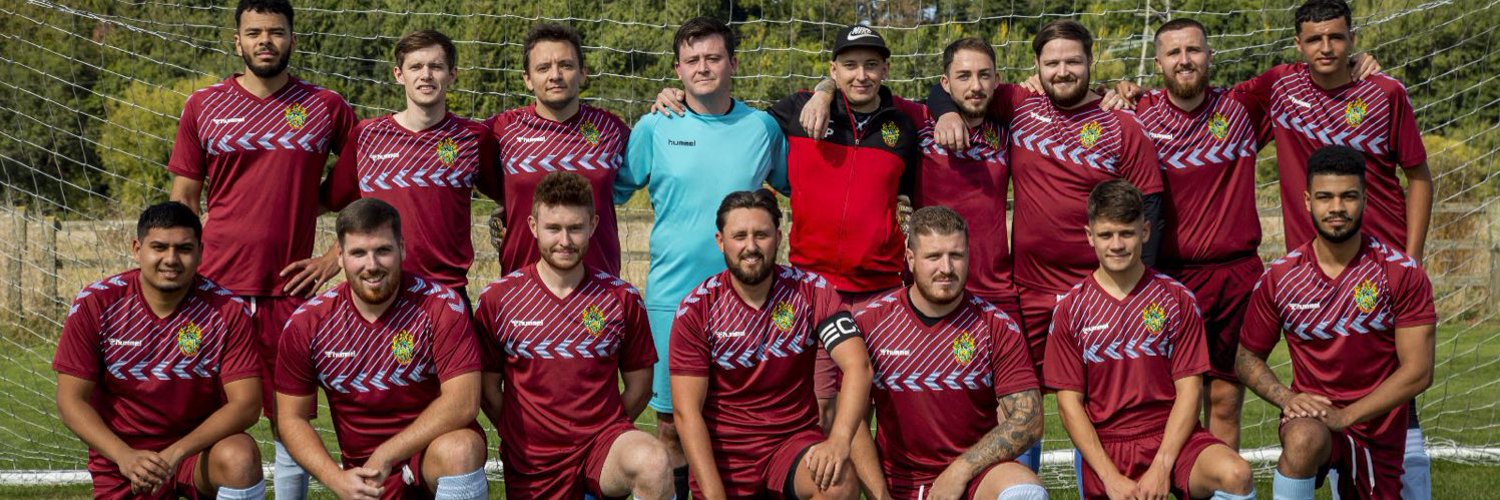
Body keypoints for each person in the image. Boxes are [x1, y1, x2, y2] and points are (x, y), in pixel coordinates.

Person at [166, 1, 356, 494]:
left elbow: (368, 187)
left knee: (288, 420)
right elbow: (183, 198)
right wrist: (177, 275)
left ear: (293, 39)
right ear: (238, 41)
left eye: (275, 32)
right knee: (204, 417)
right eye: (254, 32)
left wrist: (335, 259)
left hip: (288, 291)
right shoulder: (203, 105)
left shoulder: (327, 107)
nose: (265, 41)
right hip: (213, 292)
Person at [926, 20, 1165, 382]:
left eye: (1073, 62)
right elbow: (957, 88)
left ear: (1090, 62)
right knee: (1024, 396)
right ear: (1037, 66)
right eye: (1052, 64)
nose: (1062, 72)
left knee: (1099, 395)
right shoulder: (1019, 104)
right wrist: (944, 111)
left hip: (1097, 288)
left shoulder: (1122, 124)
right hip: (1027, 290)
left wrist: (1138, 286)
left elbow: (1151, 206)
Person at [615, 17, 791, 497]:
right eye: (692, 60)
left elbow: (801, 186)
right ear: (678, 69)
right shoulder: (656, 126)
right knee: (671, 426)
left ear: (733, 63)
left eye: (713, 58)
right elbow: (607, 191)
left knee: (744, 422)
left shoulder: (763, 128)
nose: (703, 68)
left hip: (751, 300)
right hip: (674, 300)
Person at [1236, 145, 1437, 500]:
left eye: (1349, 196)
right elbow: (1245, 357)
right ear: (1307, 201)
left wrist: (1347, 416)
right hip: (1318, 426)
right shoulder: (1281, 277)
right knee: (1302, 437)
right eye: (1325, 197)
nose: (1337, 208)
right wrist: (1287, 399)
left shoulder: (1401, 273)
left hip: (1380, 430)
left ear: (1365, 198)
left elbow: (1419, 372)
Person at [1046, 180, 1255, 500]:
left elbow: (1190, 390)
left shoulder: (1177, 299)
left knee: (1236, 474)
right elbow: (1068, 403)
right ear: (1090, 237)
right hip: (1109, 444)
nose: (1117, 244)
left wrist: (1162, 465)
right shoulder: (1071, 309)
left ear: (1144, 232)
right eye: (1106, 235)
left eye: (1126, 233)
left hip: (1173, 436)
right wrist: (1109, 477)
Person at [474, 172, 671, 498]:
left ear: (593, 225)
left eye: (575, 228)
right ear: (534, 227)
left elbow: (640, 386)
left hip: (601, 448)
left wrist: (608, 431)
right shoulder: (499, 298)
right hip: (532, 458)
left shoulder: (621, 297)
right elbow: (486, 386)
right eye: (553, 228)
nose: (564, 240)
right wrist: (516, 432)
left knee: (653, 461)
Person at [276, 198, 488, 500]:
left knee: (462, 449)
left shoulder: (441, 306)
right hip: (368, 481)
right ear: (339, 256)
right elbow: (291, 419)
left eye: (383, 251)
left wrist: (388, 453)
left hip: (428, 464)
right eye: (358, 253)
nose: (371, 265)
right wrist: (335, 479)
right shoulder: (307, 324)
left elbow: (464, 402)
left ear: (401, 248)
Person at [54, 201, 265, 499]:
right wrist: (124, 456)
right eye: (159, 247)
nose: (171, 259)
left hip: (195, 452)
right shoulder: (96, 303)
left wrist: (174, 453)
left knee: (239, 456)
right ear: (137, 249)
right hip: (123, 458)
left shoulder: (227, 309)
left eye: (184, 248)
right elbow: (70, 401)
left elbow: (246, 405)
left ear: (201, 252)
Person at [670, 189, 872, 500]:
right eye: (739, 236)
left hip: (791, 446)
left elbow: (858, 366)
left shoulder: (812, 292)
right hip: (727, 457)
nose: (750, 247)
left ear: (779, 237)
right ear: (720, 241)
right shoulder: (697, 309)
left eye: (761, 235)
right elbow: (687, 414)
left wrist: (839, 440)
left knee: (837, 480)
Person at [1128, 17, 1273, 449]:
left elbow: (1308, 73)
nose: (1184, 60)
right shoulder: (1138, 115)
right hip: (1169, 278)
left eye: (1193, 50)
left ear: (1210, 56)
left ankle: (1224, 487)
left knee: (1225, 400)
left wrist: (1358, 62)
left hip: (1236, 277)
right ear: (1158, 63)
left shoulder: (1244, 107)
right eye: (1174, 53)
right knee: (1169, 402)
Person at [767, 24, 921, 430]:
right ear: (834, 70)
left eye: (871, 65)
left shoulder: (904, 128)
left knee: (877, 406)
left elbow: (908, 199)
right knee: (820, 406)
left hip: (880, 290)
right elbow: (731, 120)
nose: (861, 75)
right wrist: (821, 92)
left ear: (886, 69)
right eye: (850, 66)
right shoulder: (799, 110)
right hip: (815, 289)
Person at [853, 206, 1047, 500]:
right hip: (895, 482)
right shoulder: (871, 323)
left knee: (1026, 491)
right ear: (911, 258)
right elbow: (852, 422)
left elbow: (1029, 420)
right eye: (933, 257)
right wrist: (879, 496)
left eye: (956, 255)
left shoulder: (996, 326)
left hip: (973, 479)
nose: (946, 268)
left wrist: (961, 470)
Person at [321, 29, 503, 308]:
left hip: (447, 295)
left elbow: (508, 195)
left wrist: (509, 220)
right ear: (399, 74)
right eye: (416, 66)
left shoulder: (474, 137)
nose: (426, 75)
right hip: (379, 293)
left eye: (436, 66)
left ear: (452, 74)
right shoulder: (367, 136)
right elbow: (328, 200)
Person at [488, 23, 628, 276]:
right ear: (527, 79)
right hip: (523, 291)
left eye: (566, 65)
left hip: (598, 293)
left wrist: (673, 97)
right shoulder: (500, 130)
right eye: (543, 68)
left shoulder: (612, 129)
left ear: (583, 73)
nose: (555, 75)